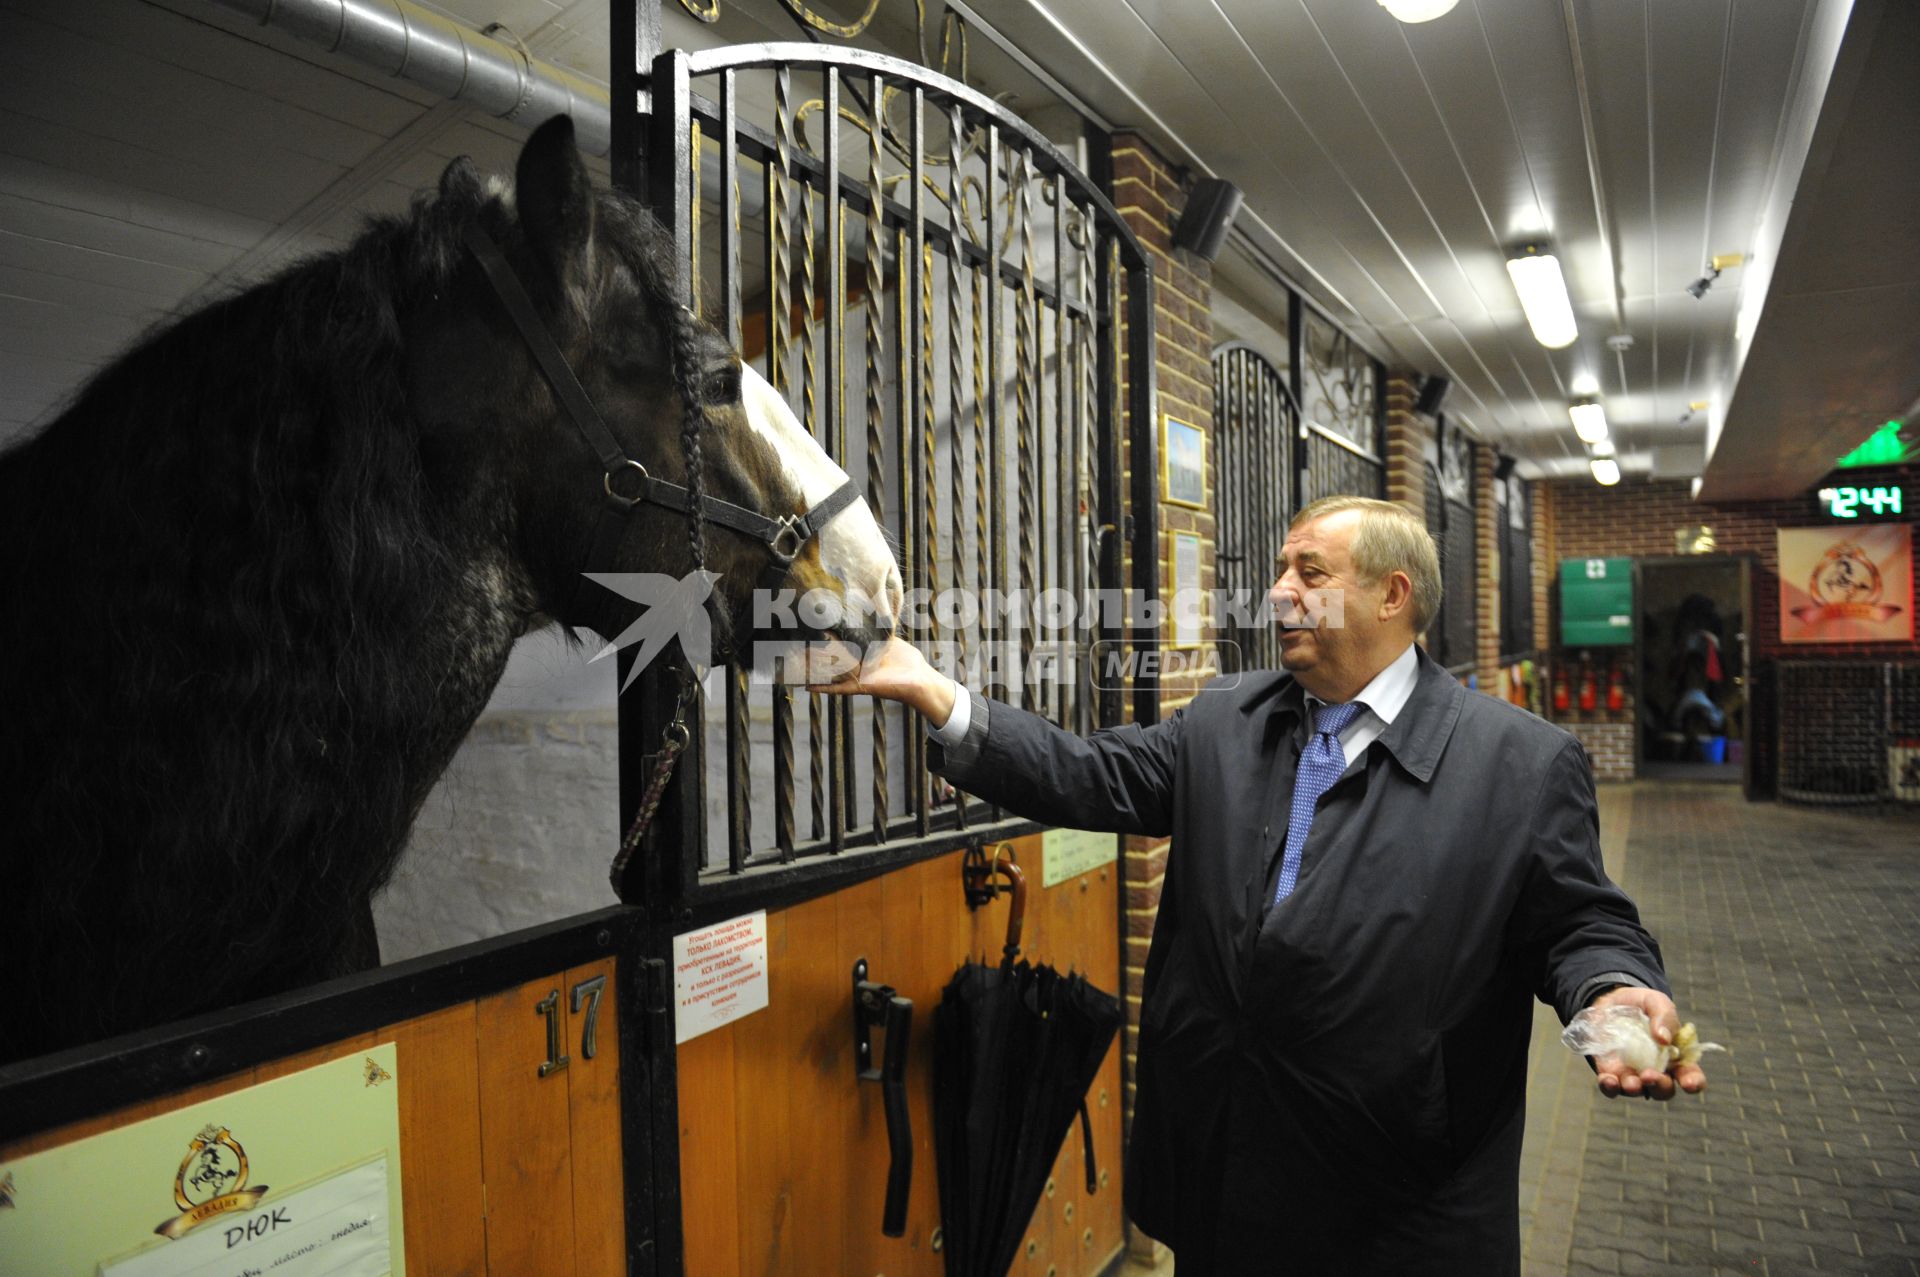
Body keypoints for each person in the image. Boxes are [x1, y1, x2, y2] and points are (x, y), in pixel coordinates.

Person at [814, 495, 1707, 1273]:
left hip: (1396, 1206)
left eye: (1308, 572)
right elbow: (1083, 773)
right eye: (1281, 568)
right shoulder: (1224, 720)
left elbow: (1579, 923)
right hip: (1224, 1176)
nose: (1278, 591)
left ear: (1393, 596)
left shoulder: (1517, 762)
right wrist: (937, 692)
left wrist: (1614, 989)